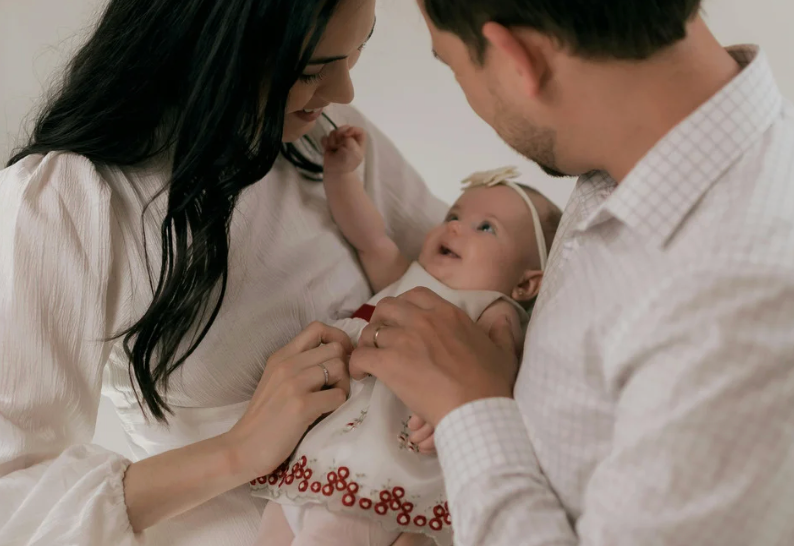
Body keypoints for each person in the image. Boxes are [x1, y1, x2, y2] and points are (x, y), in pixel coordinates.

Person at [0, 1, 445, 544]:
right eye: (309, 70)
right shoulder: (69, 200)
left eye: (357, 51)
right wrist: (242, 447)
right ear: (208, 46)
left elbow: (468, 269)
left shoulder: (324, 138)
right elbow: (15, 500)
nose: (345, 92)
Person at [350, 1, 794, 545]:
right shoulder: (627, 161)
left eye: (451, 64)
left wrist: (468, 406)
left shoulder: (743, 310)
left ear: (521, 60)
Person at [252, 126, 562, 546]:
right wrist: (342, 176)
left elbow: (495, 379)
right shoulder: (407, 278)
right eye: (454, 216)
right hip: (321, 456)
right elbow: (369, 237)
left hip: (381, 474)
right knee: (273, 528)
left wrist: (447, 414)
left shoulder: (492, 309)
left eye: (485, 228)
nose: (455, 228)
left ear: (526, 285)